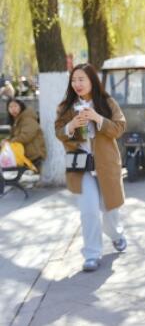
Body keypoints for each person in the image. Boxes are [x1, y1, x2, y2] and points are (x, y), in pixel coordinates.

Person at [55, 64, 127, 272]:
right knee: (89, 211)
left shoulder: (107, 102)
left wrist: (97, 118)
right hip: (81, 167)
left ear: (92, 81)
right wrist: (71, 125)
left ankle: (116, 235)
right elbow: (59, 132)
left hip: (106, 165)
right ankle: (92, 253)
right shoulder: (66, 107)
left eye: (81, 79)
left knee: (110, 210)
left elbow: (119, 128)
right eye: (74, 80)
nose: (77, 84)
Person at [3, 98, 46, 170]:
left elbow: (26, 136)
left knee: (35, 177)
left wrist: (10, 142)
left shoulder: (27, 118)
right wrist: (7, 140)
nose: (13, 109)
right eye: (10, 107)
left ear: (21, 106)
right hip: (25, 154)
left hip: (34, 154)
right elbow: (15, 136)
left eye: (15, 106)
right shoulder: (17, 120)